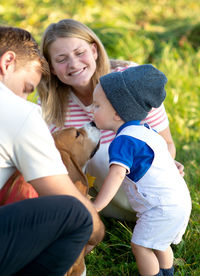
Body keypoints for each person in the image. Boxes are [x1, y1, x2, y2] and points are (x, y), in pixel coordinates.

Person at [38, 18, 184, 220]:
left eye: (80, 53)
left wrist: (163, 163)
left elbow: (166, 143)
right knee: (91, 156)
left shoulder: (129, 81)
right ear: (52, 67)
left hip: (149, 189)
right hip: (99, 197)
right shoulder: (50, 104)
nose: (74, 63)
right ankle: (92, 213)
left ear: (94, 51)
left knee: (108, 152)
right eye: (61, 59)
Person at [0, 26, 104, 276]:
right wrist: (98, 231)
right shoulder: (19, 112)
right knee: (76, 214)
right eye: (26, 87)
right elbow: (65, 195)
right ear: (7, 62)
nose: (24, 98)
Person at [92, 64, 191, 276]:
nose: (92, 111)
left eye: (97, 106)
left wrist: (96, 206)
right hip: (177, 200)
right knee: (160, 243)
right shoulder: (148, 131)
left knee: (141, 246)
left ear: (117, 114)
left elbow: (117, 174)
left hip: (159, 207)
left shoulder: (124, 140)